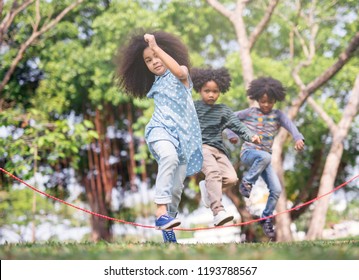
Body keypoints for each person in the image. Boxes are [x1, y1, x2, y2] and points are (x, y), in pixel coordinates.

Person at [116, 31, 203, 243]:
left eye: (156, 56)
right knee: (169, 158)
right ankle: (160, 211)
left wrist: (156, 48)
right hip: (160, 131)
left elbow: (179, 72)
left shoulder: (181, 75)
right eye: (148, 60)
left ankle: (168, 229)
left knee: (176, 189)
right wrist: (153, 49)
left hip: (184, 139)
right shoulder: (155, 84)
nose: (154, 61)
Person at [226, 76, 305, 239]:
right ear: (257, 99)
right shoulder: (250, 112)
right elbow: (230, 119)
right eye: (263, 101)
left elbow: (291, 125)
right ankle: (247, 182)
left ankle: (266, 217)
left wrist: (298, 138)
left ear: (275, 100)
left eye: (270, 102)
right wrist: (231, 134)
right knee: (265, 157)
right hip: (248, 153)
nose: (266, 105)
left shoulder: (278, 115)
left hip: (264, 160)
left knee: (276, 190)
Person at [191, 67, 261, 226]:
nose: (211, 94)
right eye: (206, 90)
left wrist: (251, 136)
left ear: (220, 91)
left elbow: (238, 126)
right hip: (200, 148)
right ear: (199, 90)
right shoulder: (193, 107)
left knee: (232, 178)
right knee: (213, 172)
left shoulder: (223, 110)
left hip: (219, 150)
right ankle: (218, 211)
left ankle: (207, 187)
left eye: (215, 91)